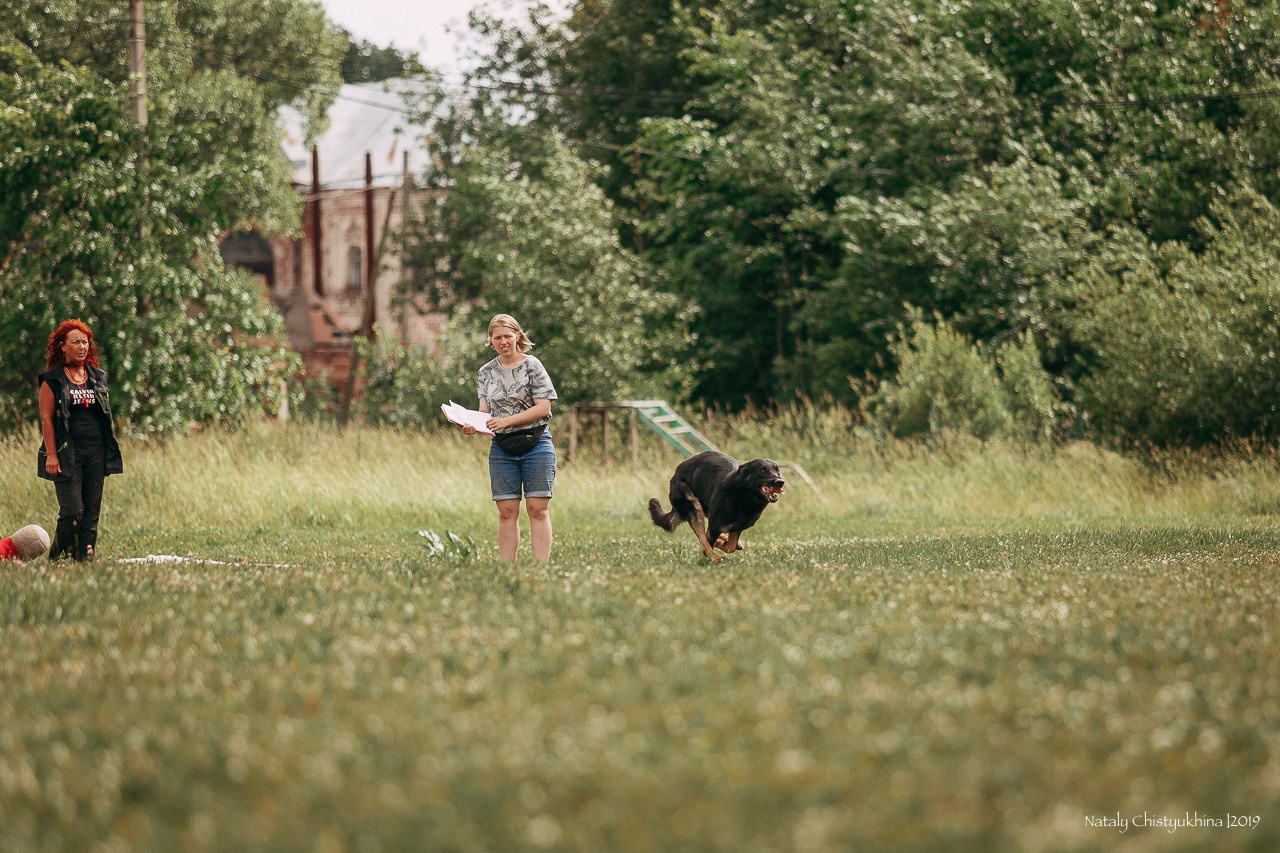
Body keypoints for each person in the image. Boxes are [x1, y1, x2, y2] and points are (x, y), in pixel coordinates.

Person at [461, 314, 559, 562]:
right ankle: (508, 566)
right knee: (506, 511)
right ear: (490, 341)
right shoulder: (485, 372)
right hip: (502, 448)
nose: (503, 341)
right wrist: (473, 425)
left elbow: (543, 408)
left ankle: (542, 565)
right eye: (497, 337)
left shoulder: (532, 365)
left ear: (517, 336)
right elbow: (485, 413)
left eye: (507, 336)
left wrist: (506, 420)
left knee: (537, 508)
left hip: (536, 442)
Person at [38, 320, 123, 561]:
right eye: (75, 342)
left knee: (91, 511)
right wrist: (52, 455)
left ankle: (84, 559)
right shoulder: (52, 379)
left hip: (96, 451)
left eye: (85, 342)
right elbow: (46, 419)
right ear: (63, 347)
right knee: (72, 510)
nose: (81, 346)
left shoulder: (98, 377)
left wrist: (107, 454)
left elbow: (106, 416)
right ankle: (57, 557)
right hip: (67, 453)